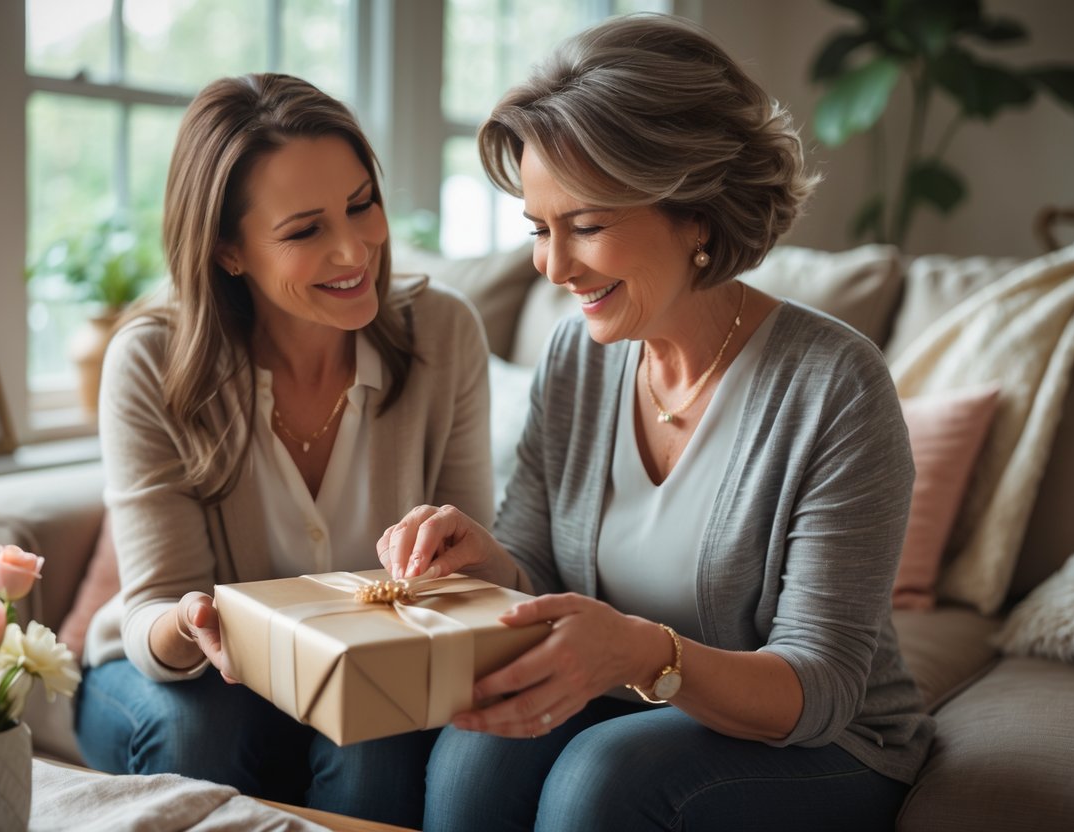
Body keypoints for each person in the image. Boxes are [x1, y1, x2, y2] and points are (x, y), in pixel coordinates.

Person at [373, 14, 934, 832]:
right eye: (539, 229)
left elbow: (817, 686)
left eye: (587, 227)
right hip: (629, 706)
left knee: (602, 779)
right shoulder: (576, 358)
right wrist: (488, 562)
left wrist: (642, 651)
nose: (554, 268)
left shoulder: (833, 386)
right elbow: (535, 565)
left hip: (824, 740)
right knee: (474, 753)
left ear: (695, 214)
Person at [73, 72, 494, 824]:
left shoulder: (445, 332)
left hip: (361, 667)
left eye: (361, 204)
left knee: (380, 728)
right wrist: (195, 620)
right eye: (305, 231)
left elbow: (487, 570)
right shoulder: (151, 359)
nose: (354, 249)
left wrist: (472, 557)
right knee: (202, 721)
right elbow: (153, 614)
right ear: (229, 251)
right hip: (176, 678)